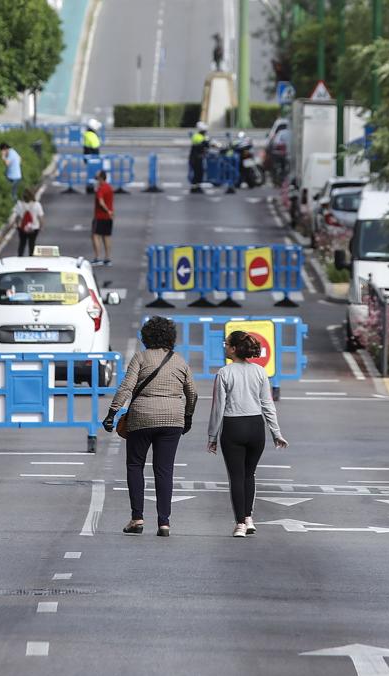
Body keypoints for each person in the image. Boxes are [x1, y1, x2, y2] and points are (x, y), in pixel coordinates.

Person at [102, 316, 198, 537]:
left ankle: (137, 518)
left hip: (142, 417)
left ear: (146, 337)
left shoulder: (141, 358)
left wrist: (112, 413)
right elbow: (192, 392)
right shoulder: (179, 361)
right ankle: (164, 523)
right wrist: (188, 415)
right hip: (173, 419)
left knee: (135, 465)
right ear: (170, 337)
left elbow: (126, 387)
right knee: (164, 470)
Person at [208, 331, 288, 537]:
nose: (224, 347)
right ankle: (249, 517)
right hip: (256, 427)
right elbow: (267, 404)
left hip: (233, 426)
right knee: (249, 474)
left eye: (227, 344)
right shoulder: (260, 372)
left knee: (235, 477)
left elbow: (218, 407)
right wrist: (276, 432)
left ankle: (240, 523)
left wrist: (212, 436)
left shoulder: (224, 373)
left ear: (234, 349)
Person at [10, 188, 45, 256]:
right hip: (34, 227)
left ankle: (20, 256)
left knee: (22, 243)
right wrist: (41, 226)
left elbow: (17, 217)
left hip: (22, 227)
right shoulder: (37, 205)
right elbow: (41, 217)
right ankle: (31, 257)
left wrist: (17, 225)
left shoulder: (19, 204)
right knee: (32, 243)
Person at [91, 170, 114, 266]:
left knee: (95, 236)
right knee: (106, 237)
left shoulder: (101, 189)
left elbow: (101, 202)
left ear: (101, 178)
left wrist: (106, 209)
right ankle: (107, 258)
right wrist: (110, 211)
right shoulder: (109, 188)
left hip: (100, 216)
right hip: (109, 216)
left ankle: (97, 257)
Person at [83, 119, 102, 194]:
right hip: (92, 156)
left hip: (89, 156)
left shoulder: (88, 134)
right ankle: (90, 188)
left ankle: (90, 187)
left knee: (91, 173)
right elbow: (95, 147)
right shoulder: (92, 135)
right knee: (93, 173)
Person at [189, 122, 209, 193]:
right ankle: (195, 188)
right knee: (198, 173)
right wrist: (206, 142)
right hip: (196, 158)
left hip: (196, 157)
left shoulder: (198, 136)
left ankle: (196, 187)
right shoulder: (199, 136)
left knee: (199, 172)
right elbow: (203, 145)